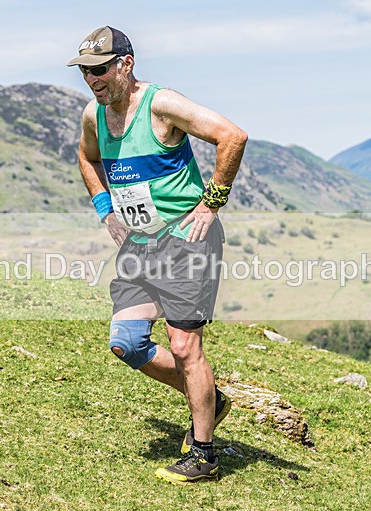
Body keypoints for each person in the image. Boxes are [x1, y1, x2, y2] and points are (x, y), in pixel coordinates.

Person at [67, 26, 247, 483]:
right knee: (126, 342)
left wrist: (212, 202)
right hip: (139, 245)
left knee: (186, 347)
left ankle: (204, 455)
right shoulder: (95, 114)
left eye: (100, 69)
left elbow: (233, 137)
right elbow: (87, 159)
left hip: (186, 242)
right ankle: (212, 400)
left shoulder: (162, 105)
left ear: (126, 63)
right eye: (86, 71)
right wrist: (105, 207)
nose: (93, 79)